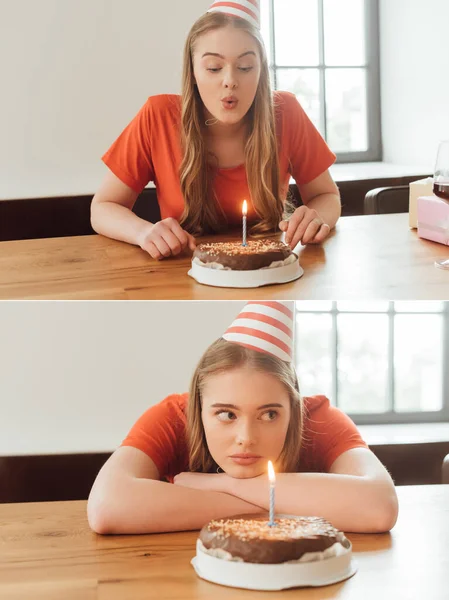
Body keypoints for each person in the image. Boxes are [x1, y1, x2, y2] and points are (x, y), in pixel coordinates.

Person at [88, 301, 398, 535]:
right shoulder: (172, 417)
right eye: (226, 414)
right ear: (198, 405)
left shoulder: (319, 419)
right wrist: (273, 503)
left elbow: (380, 507)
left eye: (269, 414)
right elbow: (106, 507)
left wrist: (218, 485)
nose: (246, 437)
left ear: (293, 407)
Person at [91, 1, 341, 260]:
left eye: (245, 67)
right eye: (214, 68)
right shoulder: (158, 115)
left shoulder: (286, 112)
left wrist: (316, 217)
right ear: (194, 71)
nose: (230, 81)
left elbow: (326, 195)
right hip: (184, 277)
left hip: (269, 273)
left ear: (261, 71)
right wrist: (143, 232)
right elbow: (103, 207)